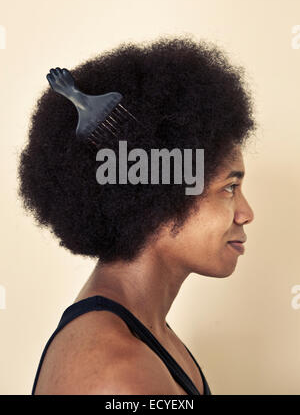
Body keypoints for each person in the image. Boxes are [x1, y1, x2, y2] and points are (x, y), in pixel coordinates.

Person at [17, 35, 257, 395]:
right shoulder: (118, 372)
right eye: (229, 187)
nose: (246, 213)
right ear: (159, 196)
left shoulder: (150, 335)